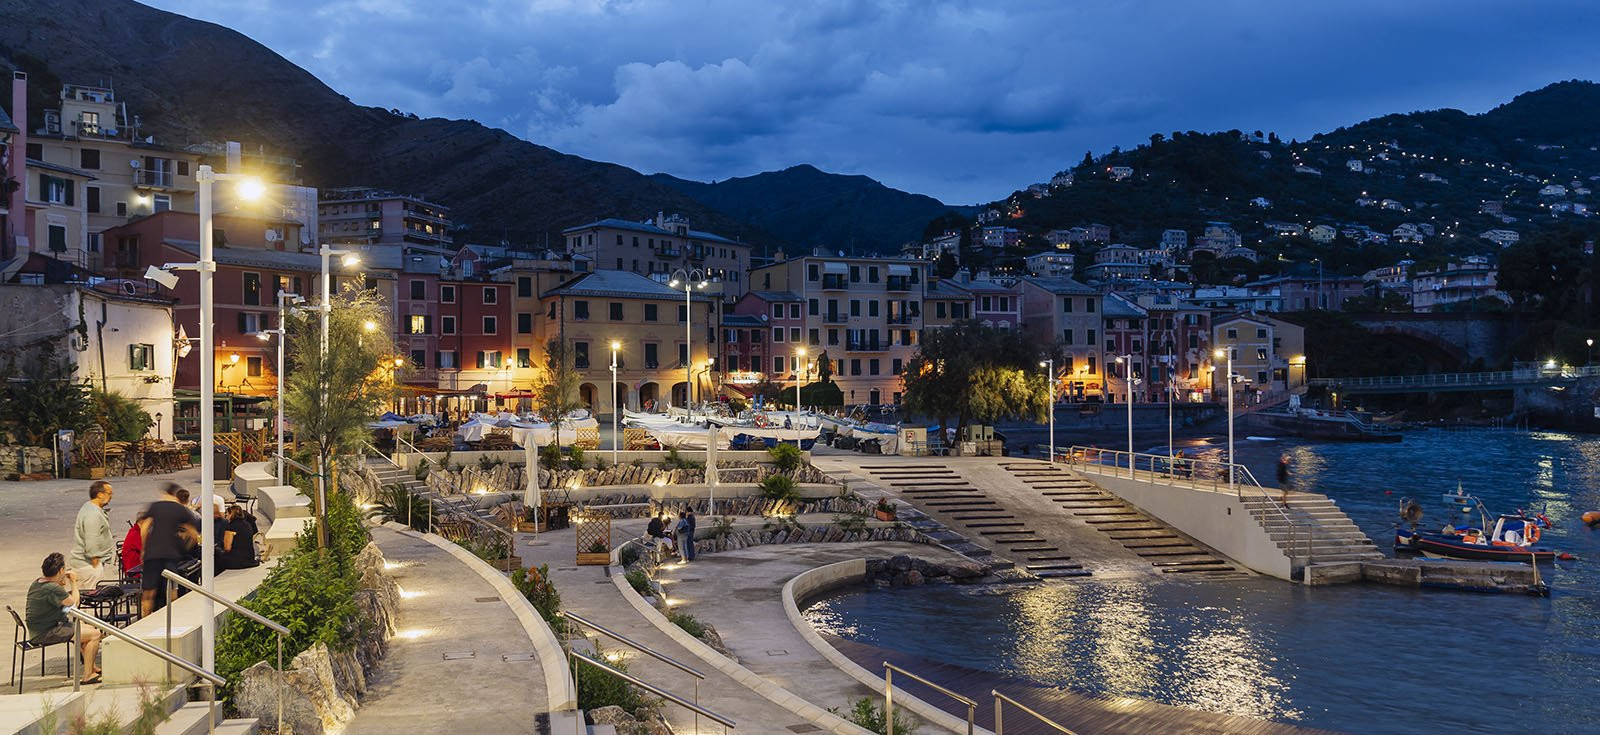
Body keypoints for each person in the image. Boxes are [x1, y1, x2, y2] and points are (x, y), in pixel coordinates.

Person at [26, 552, 102, 684]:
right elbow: (74, 603)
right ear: (61, 570)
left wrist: (61, 582)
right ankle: (87, 675)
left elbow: (60, 604)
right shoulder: (53, 588)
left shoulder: (38, 583)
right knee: (95, 634)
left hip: (40, 628)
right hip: (45, 632)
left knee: (88, 628)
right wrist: (73, 582)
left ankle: (91, 666)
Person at [139, 482, 199, 617]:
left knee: (149, 592)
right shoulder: (181, 510)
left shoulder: (154, 506)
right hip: (171, 554)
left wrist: (144, 548)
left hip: (152, 553)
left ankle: (145, 619)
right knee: (172, 589)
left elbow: (144, 527)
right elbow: (194, 534)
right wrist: (184, 548)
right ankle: (173, 619)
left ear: (165, 493)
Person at [69, 480, 116, 591]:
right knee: (91, 597)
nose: (111, 496)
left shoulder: (89, 507)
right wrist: (94, 559)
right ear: (100, 494)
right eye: (109, 493)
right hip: (89, 565)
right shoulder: (93, 514)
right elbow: (92, 537)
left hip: (86, 563)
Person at [218, 505, 259, 571]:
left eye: (227, 514)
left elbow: (227, 548)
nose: (226, 517)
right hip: (249, 558)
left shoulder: (230, 527)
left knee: (216, 554)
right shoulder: (248, 524)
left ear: (231, 514)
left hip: (236, 561)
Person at [120, 512, 147, 577]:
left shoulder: (136, 531)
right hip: (134, 569)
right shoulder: (135, 534)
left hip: (136, 566)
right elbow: (147, 550)